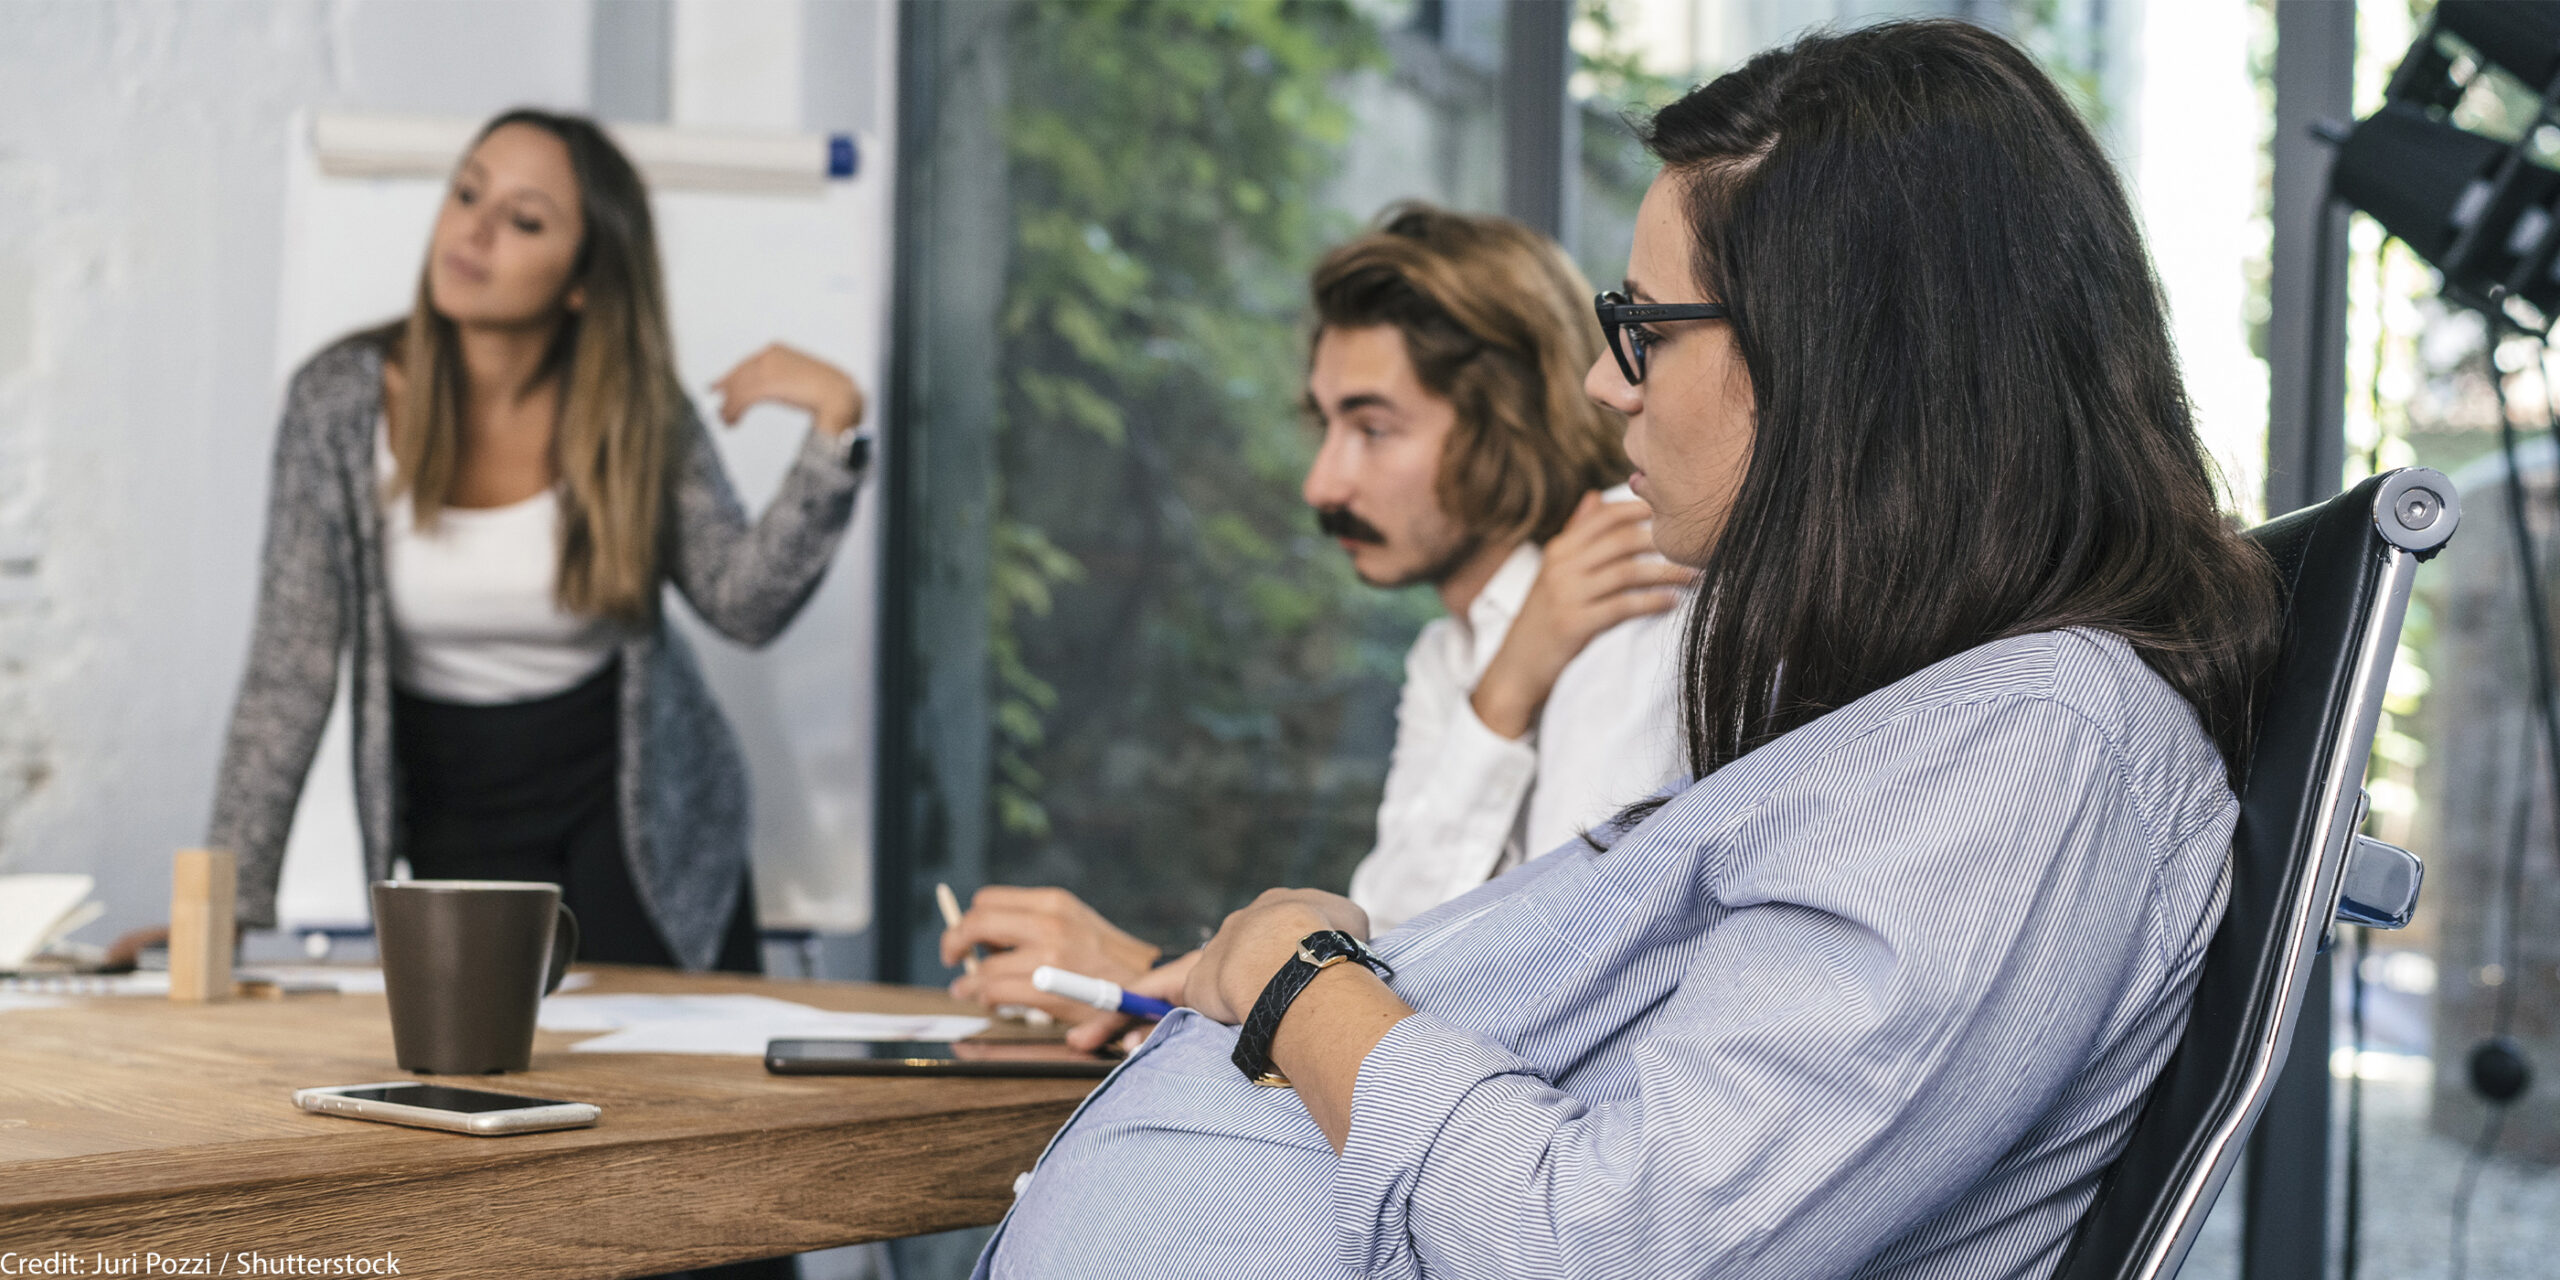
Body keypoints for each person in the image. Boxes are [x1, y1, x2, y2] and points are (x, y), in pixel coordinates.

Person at [975, 20, 2282, 1279]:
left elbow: (1602, 1246)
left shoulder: (2028, 756)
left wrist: (1291, 981)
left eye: (1647, 331)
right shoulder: (1920, 730)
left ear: (1837, 363)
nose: (1605, 386)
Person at [941, 206, 1693, 1044]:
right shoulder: (1451, 655)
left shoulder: (1626, 591)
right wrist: (1505, 689)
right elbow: (1388, 938)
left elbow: (1552, 995)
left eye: (1373, 429)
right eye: (1325, 425)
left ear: (1506, 421)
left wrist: (1161, 977)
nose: (1321, 484)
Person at [211, 109, 871, 977]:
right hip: (453, 805)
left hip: (632, 802)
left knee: (677, 1083)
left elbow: (741, 602)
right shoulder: (337, 403)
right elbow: (287, 670)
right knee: (494, 1074)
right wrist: (221, 912)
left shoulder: (636, 409)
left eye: (523, 220)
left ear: (582, 282)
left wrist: (834, 434)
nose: (474, 230)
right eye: (467, 193)